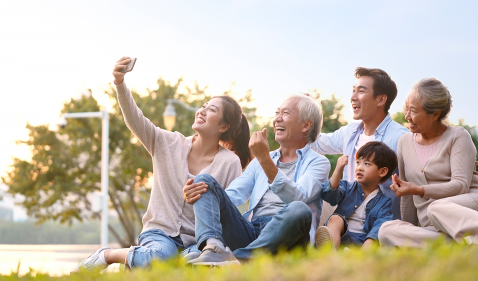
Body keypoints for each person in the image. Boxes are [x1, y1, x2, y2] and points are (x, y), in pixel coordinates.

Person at [74, 57, 252, 271]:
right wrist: (120, 83)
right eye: (203, 106)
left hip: (197, 241)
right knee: (160, 257)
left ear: (223, 126)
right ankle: (108, 255)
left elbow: (227, 211)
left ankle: (141, 261)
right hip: (159, 234)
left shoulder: (229, 162)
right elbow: (135, 119)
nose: (202, 111)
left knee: (195, 263)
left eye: (211, 110)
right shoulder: (167, 142)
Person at [183, 94, 330, 266]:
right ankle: (213, 249)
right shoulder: (259, 162)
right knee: (205, 181)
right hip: (252, 231)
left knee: (299, 209)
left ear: (306, 125)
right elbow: (231, 195)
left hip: (289, 235)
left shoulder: (319, 162)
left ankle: (237, 258)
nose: (277, 119)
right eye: (277, 113)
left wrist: (264, 159)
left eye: (285, 113)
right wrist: (206, 196)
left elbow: (297, 197)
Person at [379, 78, 478, 247]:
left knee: (436, 208)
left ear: (435, 114)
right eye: (406, 107)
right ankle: (454, 244)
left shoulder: (458, 136)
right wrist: (409, 228)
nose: (407, 116)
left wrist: (418, 189)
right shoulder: (404, 142)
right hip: (433, 225)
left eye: (413, 111)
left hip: (470, 208)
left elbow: (460, 185)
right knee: (386, 230)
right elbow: (407, 197)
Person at [311, 67, 408, 221]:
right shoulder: (351, 132)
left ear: (381, 100)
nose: (353, 97)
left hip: (379, 219)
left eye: (361, 91)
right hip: (347, 212)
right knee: (312, 195)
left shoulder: (401, 138)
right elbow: (315, 143)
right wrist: (303, 115)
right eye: (353, 90)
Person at [315, 142, 395, 250]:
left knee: (378, 231)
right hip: (340, 236)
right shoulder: (347, 187)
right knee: (335, 219)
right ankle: (329, 252)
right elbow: (329, 196)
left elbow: (379, 226)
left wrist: (369, 242)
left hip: (364, 241)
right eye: (358, 162)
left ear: (382, 171)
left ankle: (361, 256)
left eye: (367, 164)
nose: (360, 168)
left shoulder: (384, 202)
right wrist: (338, 169)